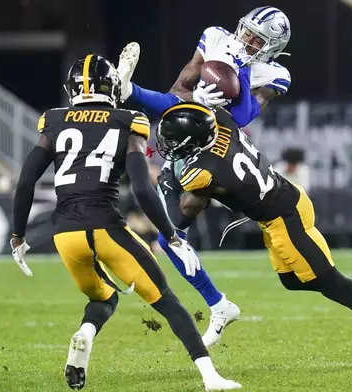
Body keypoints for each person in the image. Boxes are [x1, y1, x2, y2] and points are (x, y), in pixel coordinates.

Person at [10, 55, 241, 391]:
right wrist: (172, 235)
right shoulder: (127, 120)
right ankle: (211, 377)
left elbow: (26, 181)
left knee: (104, 297)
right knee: (167, 301)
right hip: (106, 226)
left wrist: (18, 234)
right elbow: (143, 190)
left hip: (66, 234)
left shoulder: (55, 121)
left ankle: (85, 334)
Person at [155, 103, 352, 368]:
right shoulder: (221, 120)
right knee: (292, 281)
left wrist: (166, 187)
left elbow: (180, 217)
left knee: (330, 282)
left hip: (284, 218)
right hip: (286, 201)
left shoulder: (203, 173)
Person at [115, 6, 294, 347]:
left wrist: (237, 68)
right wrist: (195, 96)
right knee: (169, 239)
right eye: (247, 31)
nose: (247, 39)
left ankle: (131, 92)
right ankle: (219, 305)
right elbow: (178, 91)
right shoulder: (214, 38)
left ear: (272, 47)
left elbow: (243, 115)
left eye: (258, 39)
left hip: (220, 151)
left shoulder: (275, 73)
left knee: (176, 225)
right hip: (185, 137)